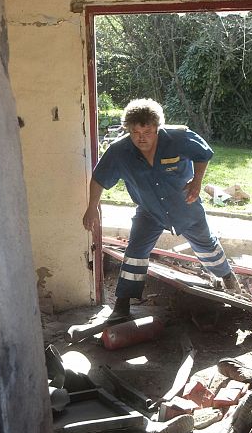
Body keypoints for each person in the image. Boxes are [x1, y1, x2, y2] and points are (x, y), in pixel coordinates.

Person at [83, 98, 242, 318]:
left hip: (185, 207)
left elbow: (203, 153)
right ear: (128, 129)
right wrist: (92, 207)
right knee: (135, 253)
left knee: (207, 247)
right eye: (135, 132)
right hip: (149, 212)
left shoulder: (178, 138)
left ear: (157, 127)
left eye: (147, 131)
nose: (141, 137)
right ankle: (121, 306)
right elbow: (99, 179)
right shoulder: (119, 151)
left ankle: (227, 277)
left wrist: (196, 182)